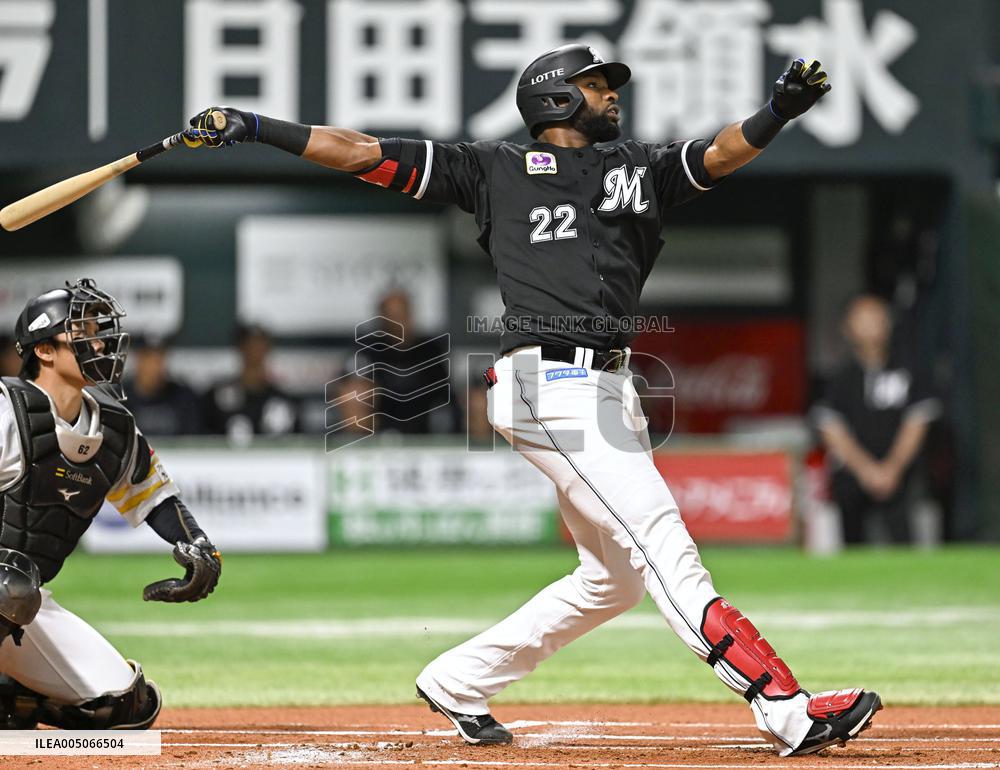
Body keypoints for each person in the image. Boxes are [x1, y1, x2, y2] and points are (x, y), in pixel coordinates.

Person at [183, 47, 879, 757]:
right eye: (595, 83)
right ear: (554, 98)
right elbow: (360, 151)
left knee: (613, 581)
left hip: (609, 388)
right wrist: (255, 123)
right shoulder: (494, 169)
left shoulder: (637, 168)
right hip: (551, 383)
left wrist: (779, 112)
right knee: (664, 543)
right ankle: (785, 708)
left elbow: (720, 154)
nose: (611, 93)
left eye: (608, 85)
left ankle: (457, 679)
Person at [0, 278, 222, 729]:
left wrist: (199, 545)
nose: (100, 342)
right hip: (7, 589)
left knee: (127, 706)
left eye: (98, 332)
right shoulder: (6, 409)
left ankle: (11, 699)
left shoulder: (114, 427)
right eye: (82, 334)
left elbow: (155, 497)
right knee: (10, 584)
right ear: (44, 350)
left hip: (20, 603)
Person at [813, 295, 940, 544]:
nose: (871, 325)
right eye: (863, 319)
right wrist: (867, 470)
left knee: (904, 538)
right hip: (853, 476)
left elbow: (917, 422)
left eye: (877, 317)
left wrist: (892, 468)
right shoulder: (839, 378)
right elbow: (832, 430)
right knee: (852, 540)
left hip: (901, 477)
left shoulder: (910, 370)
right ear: (848, 327)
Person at [356, 289, 454, 434]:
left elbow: (444, 397)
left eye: (401, 314)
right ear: (382, 318)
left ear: (410, 314)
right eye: (392, 316)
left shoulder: (430, 350)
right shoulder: (370, 350)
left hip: (424, 427)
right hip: (379, 429)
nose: (397, 321)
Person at [202, 323, 299, 440]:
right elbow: (202, 440)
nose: (255, 350)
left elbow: (297, 446)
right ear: (240, 348)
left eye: (260, 345)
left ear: (268, 349)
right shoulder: (216, 396)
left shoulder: (282, 400)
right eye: (250, 344)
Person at [123, 335, 203, 436]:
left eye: (159, 357)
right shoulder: (119, 398)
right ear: (137, 360)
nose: (154, 365)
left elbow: (193, 442)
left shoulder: (183, 397)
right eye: (148, 357)